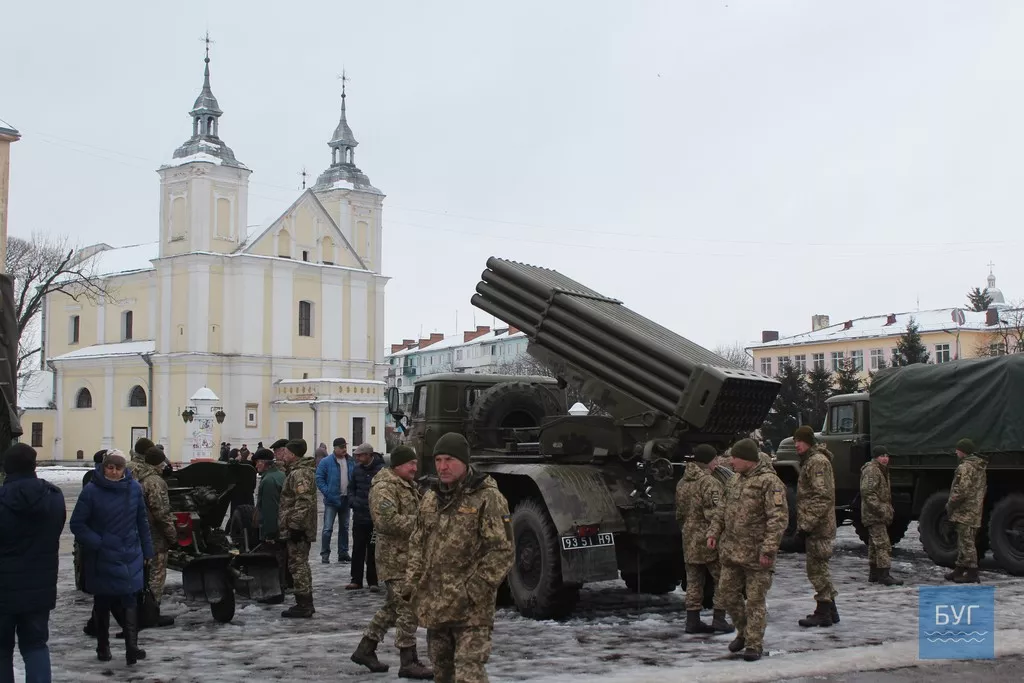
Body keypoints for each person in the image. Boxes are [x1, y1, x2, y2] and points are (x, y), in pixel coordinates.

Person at [404, 432, 514, 682]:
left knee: (468, 675)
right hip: (437, 607)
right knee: (443, 674)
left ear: (465, 461)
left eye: (449, 460)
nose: (442, 466)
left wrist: (471, 591)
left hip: (471, 612)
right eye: (438, 460)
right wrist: (413, 585)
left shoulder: (488, 497)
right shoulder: (431, 498)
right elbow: (417, 543)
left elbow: (502, 551)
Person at [351, 445, 433, 678]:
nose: (415, 468)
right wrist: (422, 524)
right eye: (411, 464)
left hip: (408, 557)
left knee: (392, 608)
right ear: (397, 465)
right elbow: (387, 522)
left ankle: (365, 649)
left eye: (416, 464)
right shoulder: (384, 487)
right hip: (394, 560)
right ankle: (408, 661)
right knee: (409, 606)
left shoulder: (406, 485)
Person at [707, 438, 788, 662]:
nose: (731, 461)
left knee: (754, 600)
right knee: (727, 594)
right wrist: (713, 532)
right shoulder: (734, 481)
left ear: (748, 460)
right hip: (732, 551)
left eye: (735, 457)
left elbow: (778, 519)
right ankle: (743, 632)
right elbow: (721, 509)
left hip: (756, 554)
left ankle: (754, 643)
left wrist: (769, 550)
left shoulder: (769, 482)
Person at [70, 450, 154, 665]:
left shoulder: (134, 489)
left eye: (118, 468)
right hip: (102, 554)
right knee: (103, 601)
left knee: (130, 598)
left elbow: (142, 521)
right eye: (110, 467)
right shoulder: (91, 491)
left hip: (129, 552)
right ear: (104, 467)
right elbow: (77, 524)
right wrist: (98, 542)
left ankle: (132, 647)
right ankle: (103, 645)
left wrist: (147, 550)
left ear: (124, 469)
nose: (114, 471)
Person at [0, 444, 67, 683]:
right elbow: (55, 530)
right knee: (36, 645)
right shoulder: (54, 496)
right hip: (40, 585)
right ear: (34, 465)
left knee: (2, 651)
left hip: (3, 588)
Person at [675, 443, 733, 634]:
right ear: (709, 461)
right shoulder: (709, 483)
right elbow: (715, 514)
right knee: (721, 578)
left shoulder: (682, 482)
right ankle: (719, 619)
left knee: (693, 581)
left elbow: (680, 513)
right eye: (715, 458)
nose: (717, 462)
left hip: (688, 538)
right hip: (709, 539)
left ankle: (692, 621)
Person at [793, 425, 838, 628]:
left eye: (800, 441)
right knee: (821, 568)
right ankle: (831, 610)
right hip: (818, 524)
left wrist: (806, 525)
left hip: (818, 526)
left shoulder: (817, 462)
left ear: (809, 441)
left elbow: (822, 496)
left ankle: (823, 612)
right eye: (795, 441)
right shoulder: (811, 461)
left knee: (817, 569)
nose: (796, 445)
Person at [134, 448, 178, 627]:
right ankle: (150, 614)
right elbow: (161, 513)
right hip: (155, 537)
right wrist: (172, 536)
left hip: (139, 535)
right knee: (156, 575)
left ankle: (136, 612)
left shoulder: (136, 475)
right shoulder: (155, 482)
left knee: (141, 575)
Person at [277, 440, 317, 618]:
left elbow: (304, 501)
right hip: (300, 526)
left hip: (298, 529)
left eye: (285, 452)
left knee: (298, 565)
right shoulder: (298, 471)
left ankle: (303, 604)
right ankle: (306, 601)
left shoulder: (299, 473)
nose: (283, 455)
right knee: (301, 565)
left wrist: (294, 525)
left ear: (292, 454)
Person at [946, 438, 987, 584]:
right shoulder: (979, 466)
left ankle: (972, 572)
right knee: (965, 541)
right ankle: (959, 569)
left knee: (966, 543)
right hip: (974, 510)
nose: (956, 452)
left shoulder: (965, 467)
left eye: (958, 449)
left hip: (965, 511)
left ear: (962, 451)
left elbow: (962, 491)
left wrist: (950, 503)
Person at [860, 446, 902, 586]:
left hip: (875, 514)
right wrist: (881, 509)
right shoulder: (872, 470)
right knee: (883, 544)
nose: (885, 458)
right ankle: (884, 574)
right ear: (875, 457)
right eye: (881, 456)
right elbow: (868, 493)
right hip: (874, 515)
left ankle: (874, 574)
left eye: (886, 456)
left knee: (874, 544)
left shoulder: (881, 470)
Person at [347, 443, 385, 591]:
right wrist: (353, 502)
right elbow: (351, 488)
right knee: (357, 549)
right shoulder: (357, 470)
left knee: (373, 550)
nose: (357, 458)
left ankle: (373, 581)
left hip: (374, 518)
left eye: (360, 455)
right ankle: (356, 579)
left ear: (369, 455)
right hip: (359, 516)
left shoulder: (381, 470)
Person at [253, 447, 288, 602]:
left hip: (274, 528)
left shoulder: (268, 481)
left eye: (257, 463)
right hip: (284, 525)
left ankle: (274, 594)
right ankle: (281, 588)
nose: (256, 466)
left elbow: (269, 510)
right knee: (282, 559)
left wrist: (268, 533)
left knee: (273, 561)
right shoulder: (280, 475)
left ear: (264, 463)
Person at [315, 437, 355, 564]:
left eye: (345, 447)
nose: (344, 449)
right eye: (341, 447)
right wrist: (328, 492)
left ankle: (343, 553)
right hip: (332, 500)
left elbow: (353, 477)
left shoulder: (350, 461)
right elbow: (319, 478)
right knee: (327, 528)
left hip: (346, 499)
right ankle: (325, 554)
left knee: (344, 527)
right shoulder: (326, 462)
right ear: (335, 448)